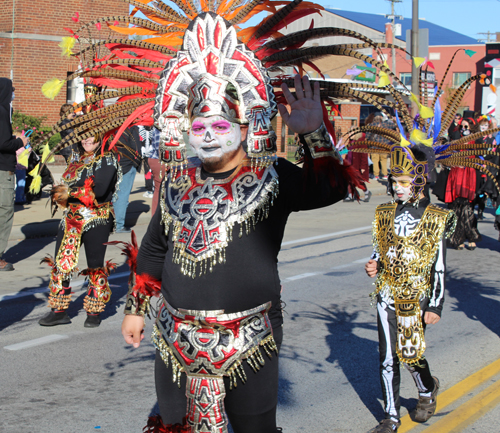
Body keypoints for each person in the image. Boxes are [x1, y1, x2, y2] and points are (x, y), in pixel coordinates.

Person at [118, 11, 364, 433]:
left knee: (254, 428)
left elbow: (330, 190)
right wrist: (136, 309)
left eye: (219, 124)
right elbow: (156, 249)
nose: (208, 134)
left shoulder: (274, 176)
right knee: (174, 425)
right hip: (176, 337)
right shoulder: (178, 181)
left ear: (244, 124)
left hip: (250, 337)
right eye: (199, 125)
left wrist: (314, 134)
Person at [365, 145, 457, 433]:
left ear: (419, 180)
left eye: (403, 181)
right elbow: (382, 249)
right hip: (386, 294)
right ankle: (391, 416)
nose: (397, 187)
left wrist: (435, 305)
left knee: (410, 354)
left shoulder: (435, 217)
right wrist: (375, 265)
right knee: (387, 357)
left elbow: (439, 266)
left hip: (417, 297)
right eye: (393, 181)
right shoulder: (384, 213)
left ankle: (427, 389)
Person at [38, 134, 120, 327]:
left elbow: (99, 191)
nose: (86, 141)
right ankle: (58, 311)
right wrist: (60, 194)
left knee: (94, 265)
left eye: (91, 137)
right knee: (61, 263)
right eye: (83, 138)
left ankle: (93, 312)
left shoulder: (107, 159)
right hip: (71, 218)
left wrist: (69, 192)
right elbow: (68, 184)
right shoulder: (77, 158)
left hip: (96, 218)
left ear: (101, 138)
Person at [0, 78, 28, 271]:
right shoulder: (1, 112)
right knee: (4, 213)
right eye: (12, 90)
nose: (13, 94)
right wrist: (20, 142)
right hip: (3, 172)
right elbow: (3, 144)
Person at [444, 118, 482, 250]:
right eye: (462, 127)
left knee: (467, 208)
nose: (463, 129)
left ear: (472, 127)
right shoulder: (455, 139)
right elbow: (446, 154)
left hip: (469, 175)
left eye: (466, 127)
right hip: (456, 175)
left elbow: (482, 157)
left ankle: (471, 236)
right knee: (456, 208)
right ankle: (457, 238)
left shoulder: (477, 140)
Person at [113, 125, 141, 233]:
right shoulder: (131, 127)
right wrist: (136, 163)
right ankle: (119, 225)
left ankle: (112, 223)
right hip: (127, 164)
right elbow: (136, 147)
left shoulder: (108, 125)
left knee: (113, 194)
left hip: (112, 163)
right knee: (122, 195)